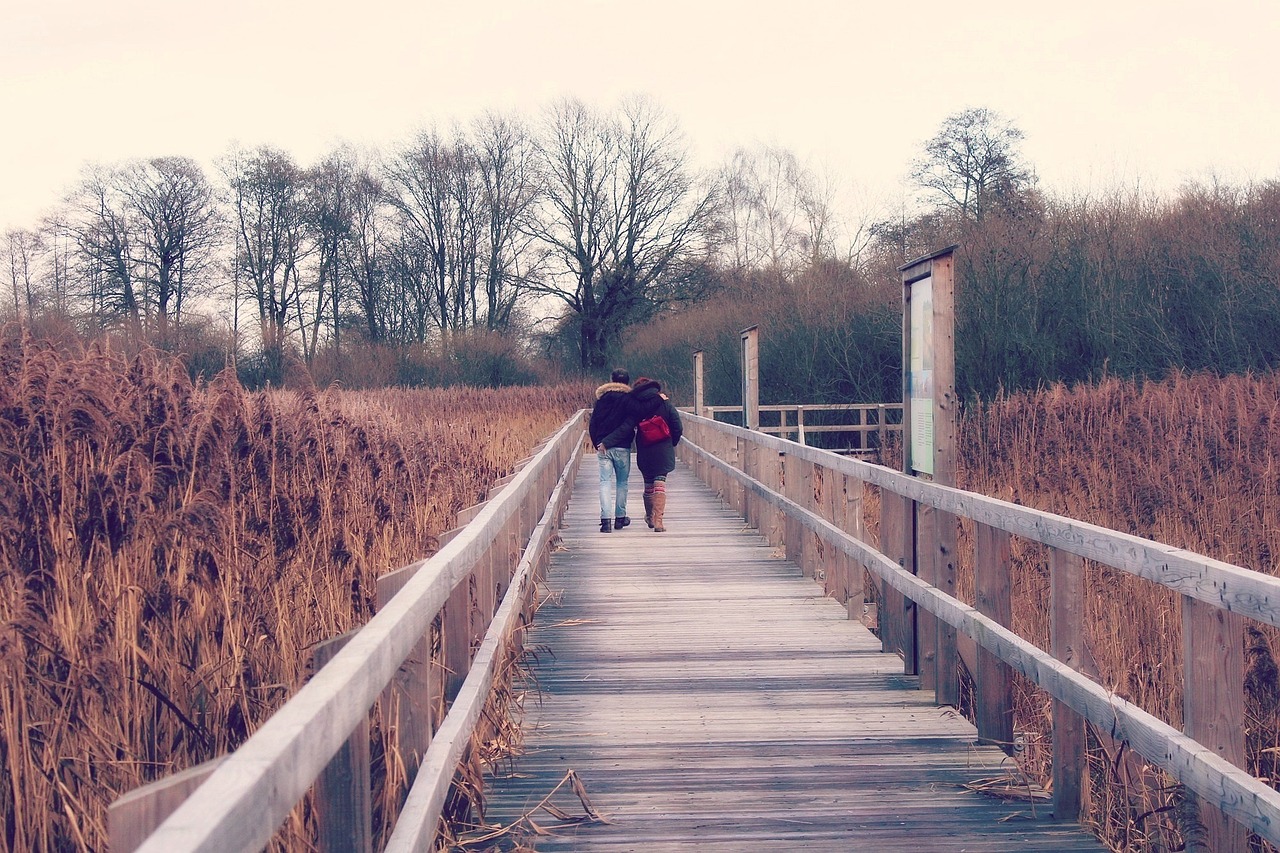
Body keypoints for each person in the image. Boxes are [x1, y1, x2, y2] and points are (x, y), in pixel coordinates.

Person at [604, 377, 683, 532]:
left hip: (645, 448)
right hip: (663, 448)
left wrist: (608, 440)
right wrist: (672, 442)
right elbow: (677, 426)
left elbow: (627, 426)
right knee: (660, 483)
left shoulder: (636, 407)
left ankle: (650, 518)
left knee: (648, 484)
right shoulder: (664, 402)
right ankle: (658, 520)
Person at [588, 368, 634, 533]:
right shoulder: (630, 400)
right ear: (627, 382)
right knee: (622, 483)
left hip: (603, 448)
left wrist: (599, 443)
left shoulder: (602, 400)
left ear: (611, 380)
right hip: (622, 446)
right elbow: (629, 425)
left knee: (604, 482)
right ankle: (620, 519)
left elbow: (593, 424)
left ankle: (605, 521)